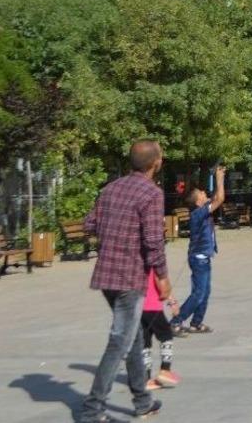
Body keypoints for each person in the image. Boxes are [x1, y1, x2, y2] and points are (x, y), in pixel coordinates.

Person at [81, 140, 169, 422]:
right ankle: (93, 409)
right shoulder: (151, 194)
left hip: (106, 275)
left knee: (131, 337)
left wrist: (114, 235)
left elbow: (89, 224)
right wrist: (163, 277)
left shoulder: (111, 188)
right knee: (119, 341)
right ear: (155, 163)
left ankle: (142, 401)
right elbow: (153, 241)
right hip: (130, 278)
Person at [171, 166, 226, 336]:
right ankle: (175, 322)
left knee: (205, 292)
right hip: (198, 258)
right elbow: (220, 199)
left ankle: (196, 323)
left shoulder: (202, 208)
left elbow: (217, 197)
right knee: (198, 293)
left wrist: (220, 178)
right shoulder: (197, 214)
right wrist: (218, 179)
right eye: (202, 193)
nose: (204, 193)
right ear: (198, 202)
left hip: (204, 257)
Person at [141, 269, 181, 390]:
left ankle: (146, 379)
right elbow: (159, 280)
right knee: (166, 335)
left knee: (144, 342)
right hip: (152, 306)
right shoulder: (153, 258)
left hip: (137, 306)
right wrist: (172, 301)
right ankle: (165, 369)